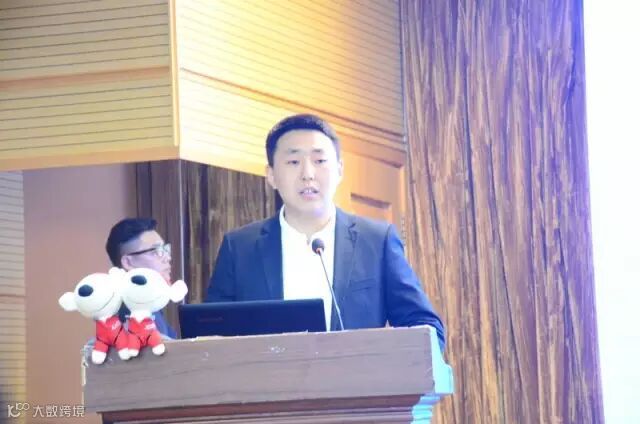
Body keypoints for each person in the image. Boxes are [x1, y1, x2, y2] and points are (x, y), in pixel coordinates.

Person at [205, 114, 445, 350]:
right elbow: (209, 337)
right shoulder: (239, 248)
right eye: (293, 162)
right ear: (271, 175)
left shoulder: (376, 242)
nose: (308, 174)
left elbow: (426, 327)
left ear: (339, 170)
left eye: (319, 161)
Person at [105, 217, 177, 338]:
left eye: (165, 249)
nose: (167, 258)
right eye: (156, 251)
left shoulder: (148, 303)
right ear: (128, 262)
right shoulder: (129, 311)